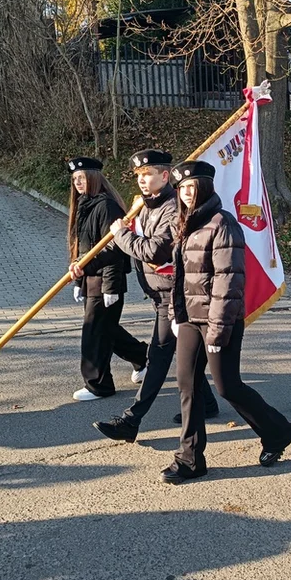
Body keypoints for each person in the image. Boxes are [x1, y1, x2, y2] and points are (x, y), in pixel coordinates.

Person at [162, 160, 291, 484]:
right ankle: (191, 459)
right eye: (182, 188)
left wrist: (217, 332)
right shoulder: (185, 223)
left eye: (193, 187)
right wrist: (175, 315)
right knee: (187, 383)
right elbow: (179, 277)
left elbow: (229, 281)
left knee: (227, 386)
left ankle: (278, 432)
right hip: (191, 319)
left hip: (219, 321)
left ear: (205, 187)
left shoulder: (223, 224)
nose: (187, 193)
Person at [92, 150, 219, 441]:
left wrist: (122, 233)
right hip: (159, 293)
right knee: (185, 355)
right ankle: (208, 403)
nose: (142, 181)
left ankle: (130, 421)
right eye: (139, 176)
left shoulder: (173, 210)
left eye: (148, 174)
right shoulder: (145, 208)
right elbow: (122, 246)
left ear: (165, 176)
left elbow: (154, 250)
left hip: (176, 296)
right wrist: (85, 265)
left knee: (158, 356)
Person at [67, 157, 148, 401]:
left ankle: (99, 385)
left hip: (105, 282)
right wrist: (79, 282)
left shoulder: (107, 206)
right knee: (106, 330)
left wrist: (110, 286)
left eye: (82, 178)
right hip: (90, 280)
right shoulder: (85, 204)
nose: (78, 183)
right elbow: (84, 250)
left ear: (94, 178)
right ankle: (144, 358)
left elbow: (115, 248)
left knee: (94, 333)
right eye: (74, 179)